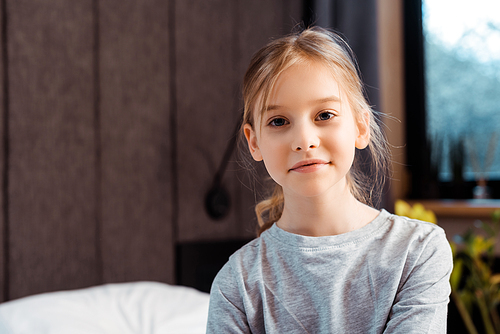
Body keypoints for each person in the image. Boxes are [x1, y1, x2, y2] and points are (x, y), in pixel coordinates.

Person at [206, 26, 452, 333]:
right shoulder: (236, 283)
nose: (304, 140)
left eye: (324, 115)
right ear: (253, 141)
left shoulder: (417, 250)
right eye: (279, 121)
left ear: (361, 127)